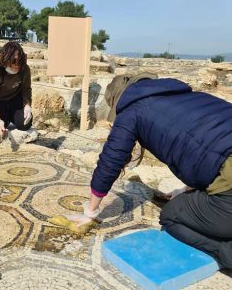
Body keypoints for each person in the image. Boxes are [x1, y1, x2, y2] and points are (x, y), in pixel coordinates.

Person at [75, 73, 232, 269]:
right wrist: (186, 189)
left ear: (117, 101)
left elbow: (111, 159)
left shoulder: (132, 112)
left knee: (171, 216)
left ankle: (226, 253)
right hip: (225, 165)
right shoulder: (186, 95)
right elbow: (207, 146)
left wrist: (90, 212)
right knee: (186, 198)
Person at [0, 41, 32, 136]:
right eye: (13, 61)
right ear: (5, 59)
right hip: (0, 101)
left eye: (19, 61)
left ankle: (13, 116)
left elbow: (26, 89)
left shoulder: (24, 69)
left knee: (25, 125)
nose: (17, 65)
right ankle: (5, 117)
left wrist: (27, 105)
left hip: (16, 99)